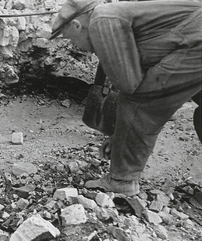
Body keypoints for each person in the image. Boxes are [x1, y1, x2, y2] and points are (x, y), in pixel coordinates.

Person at [50, 0, 202, 196]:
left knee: (141, 102)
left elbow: (130, 86)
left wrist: (119, 133)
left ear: (76, 25)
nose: (75, 46)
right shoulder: (116, 15)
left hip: (196, 45)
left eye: (71, 39)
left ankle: (122, 180)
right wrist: (118, 134)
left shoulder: (101, 21)